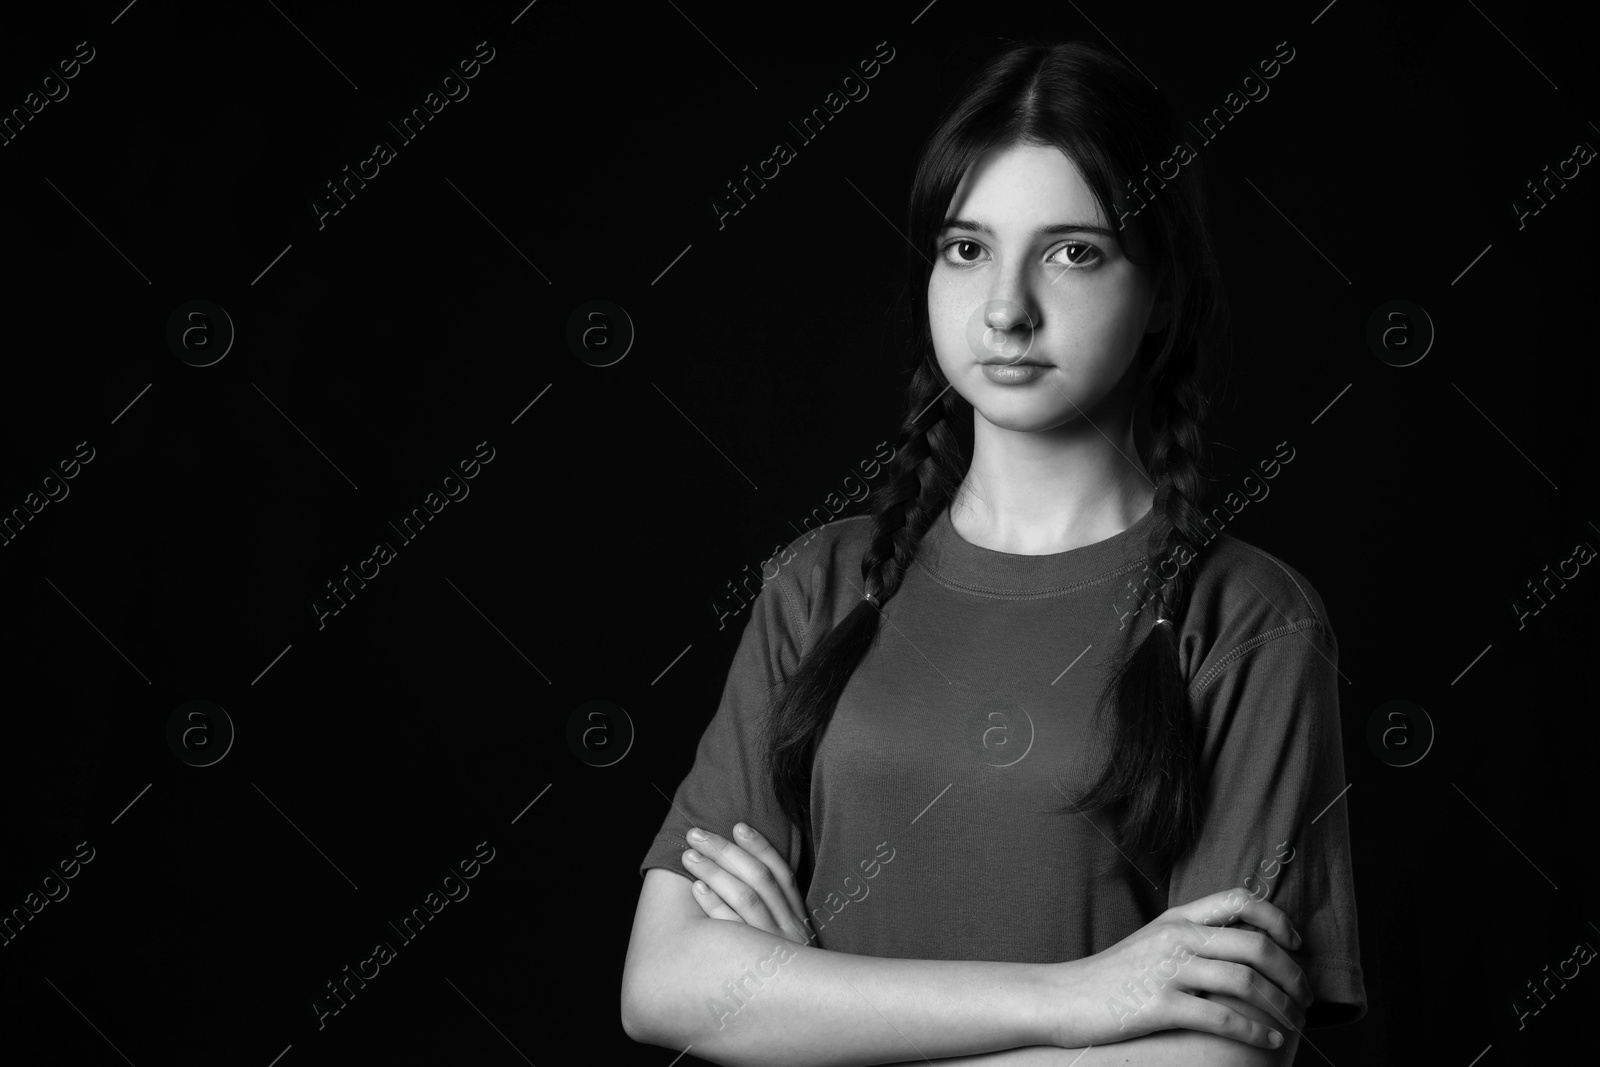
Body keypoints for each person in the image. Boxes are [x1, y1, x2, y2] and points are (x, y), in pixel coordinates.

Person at [621, 37, 1365, 1066]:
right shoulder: (823, 583)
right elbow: (663, 983)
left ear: (1161, 291)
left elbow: (1212, 1053)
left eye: (1073, 251)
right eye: (967, 249)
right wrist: (1082, 998)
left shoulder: (1250, 621)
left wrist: (814, 1020)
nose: (1005, 307)